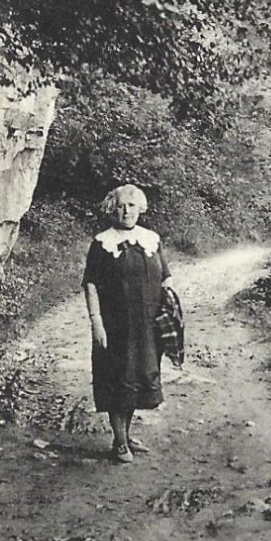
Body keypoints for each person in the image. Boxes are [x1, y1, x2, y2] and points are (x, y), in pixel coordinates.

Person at [82, 184, 174, 464]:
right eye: (121, 205)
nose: (126, 210)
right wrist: (96, 322)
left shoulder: (152, 240)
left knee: (137, 378)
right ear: (113, 208)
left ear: (140, 208)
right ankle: (120, 442)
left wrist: (170, 305)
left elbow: (166, 277)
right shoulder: (102, 243)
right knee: (118, 377)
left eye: (132, 206)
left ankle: (124, 433)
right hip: (116, 326)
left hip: (147, 326)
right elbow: (91, 285)